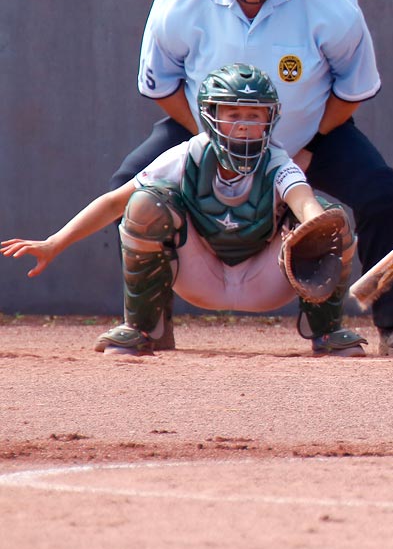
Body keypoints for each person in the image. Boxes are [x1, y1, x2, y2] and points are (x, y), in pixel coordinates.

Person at [106, 0, 393, 355]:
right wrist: (209, 145)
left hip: (308, 133)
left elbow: (351, 89)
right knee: (128, 189)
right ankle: (149, 323)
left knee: (382, 193)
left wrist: (307, 148)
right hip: (205, 130)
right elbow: (164, 86)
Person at [3, 64, 367, 356]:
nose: (244, 124)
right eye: (233, 113)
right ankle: (143, 327)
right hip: (201, 274)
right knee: (144, 203)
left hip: (266, 279)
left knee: (331, 216)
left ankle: (326, 330)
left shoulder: (275, 158)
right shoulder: (188, 154)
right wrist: (54, 242)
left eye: (255, 115)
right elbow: (115, 201)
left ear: (270, 119)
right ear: (210, 116)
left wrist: (321, 227)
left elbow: (301, 198)